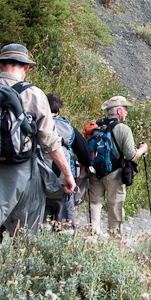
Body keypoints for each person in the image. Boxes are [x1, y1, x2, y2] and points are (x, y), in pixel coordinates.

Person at [0, 44, 75, 249]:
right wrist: (66, 174)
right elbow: (50, 143)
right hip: (24, 173)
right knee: (25, 235)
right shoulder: (35, 94)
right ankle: (16, 275)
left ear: (0, 65)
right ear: (26, 67)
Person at [87, 96, 148, 236]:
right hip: (114, 175)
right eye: (125, 109)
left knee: (95, 205)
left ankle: (91, 238)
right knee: (115, 206)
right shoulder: (122, 129)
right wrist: (143, 149)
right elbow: (131, 155)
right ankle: (114, 242)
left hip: (95, 173)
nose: (126, 112)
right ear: (119, 111)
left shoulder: (95, 126)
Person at [43, 93, 92, 229]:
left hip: (40, 187)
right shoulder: (68, 129)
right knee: (65, 228)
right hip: (64, 187)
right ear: (59, 111)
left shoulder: (36, 126)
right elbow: (87, 157)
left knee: (40, 228)